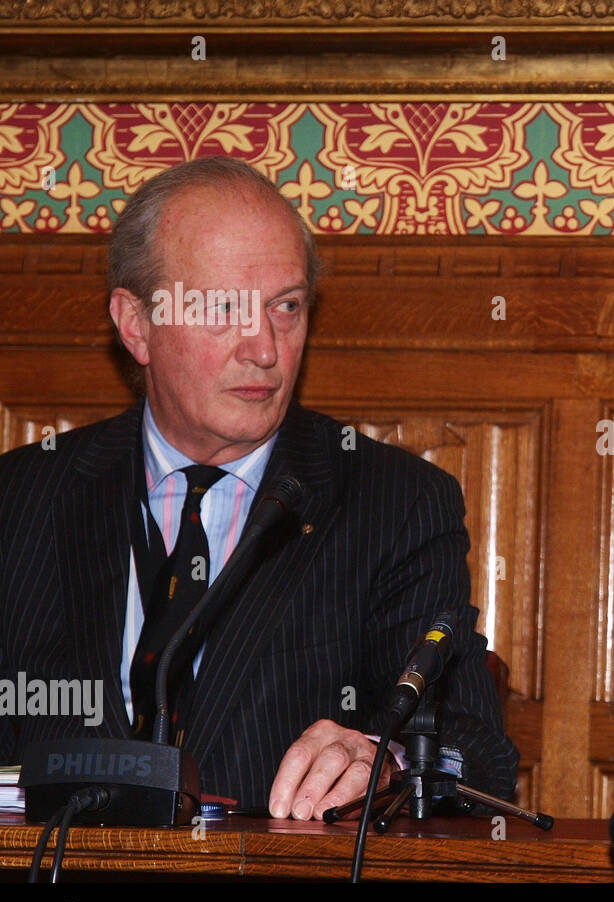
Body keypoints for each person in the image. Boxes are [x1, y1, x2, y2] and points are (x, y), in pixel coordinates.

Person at [0, 156, 518, 818]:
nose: (266, 348)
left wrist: (382, 759)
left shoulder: (395, 504)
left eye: (287, 307)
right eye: (223, 308)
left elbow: (477, 751)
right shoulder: (22, 501)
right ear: (137, 324)